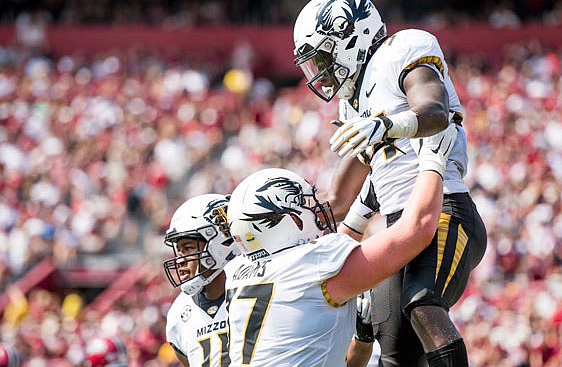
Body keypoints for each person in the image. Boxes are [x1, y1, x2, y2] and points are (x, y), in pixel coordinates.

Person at [293, 0, 488, 366]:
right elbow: (339, 198)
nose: (320, 72)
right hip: (395, 227)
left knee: (422, 303)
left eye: (322, 58)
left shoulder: (403, 49)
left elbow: (434, 110)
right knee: (392, 349)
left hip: (444, 208)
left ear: (349, 35)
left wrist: (384, 125)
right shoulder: (353, 101)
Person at [224, 124, 457, 366]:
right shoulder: (314, 264)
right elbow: (417, 230)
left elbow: (323, 262)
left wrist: (361, 211)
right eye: (305, 204)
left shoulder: (237, 271)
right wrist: (433, 159)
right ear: (291, 219)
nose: (315, 208)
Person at [163, 194, 240, 366]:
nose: (180, 260)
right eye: (179, 250)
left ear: (222, 243)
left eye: (188, 248)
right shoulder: (178, 313)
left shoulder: (252, 290)